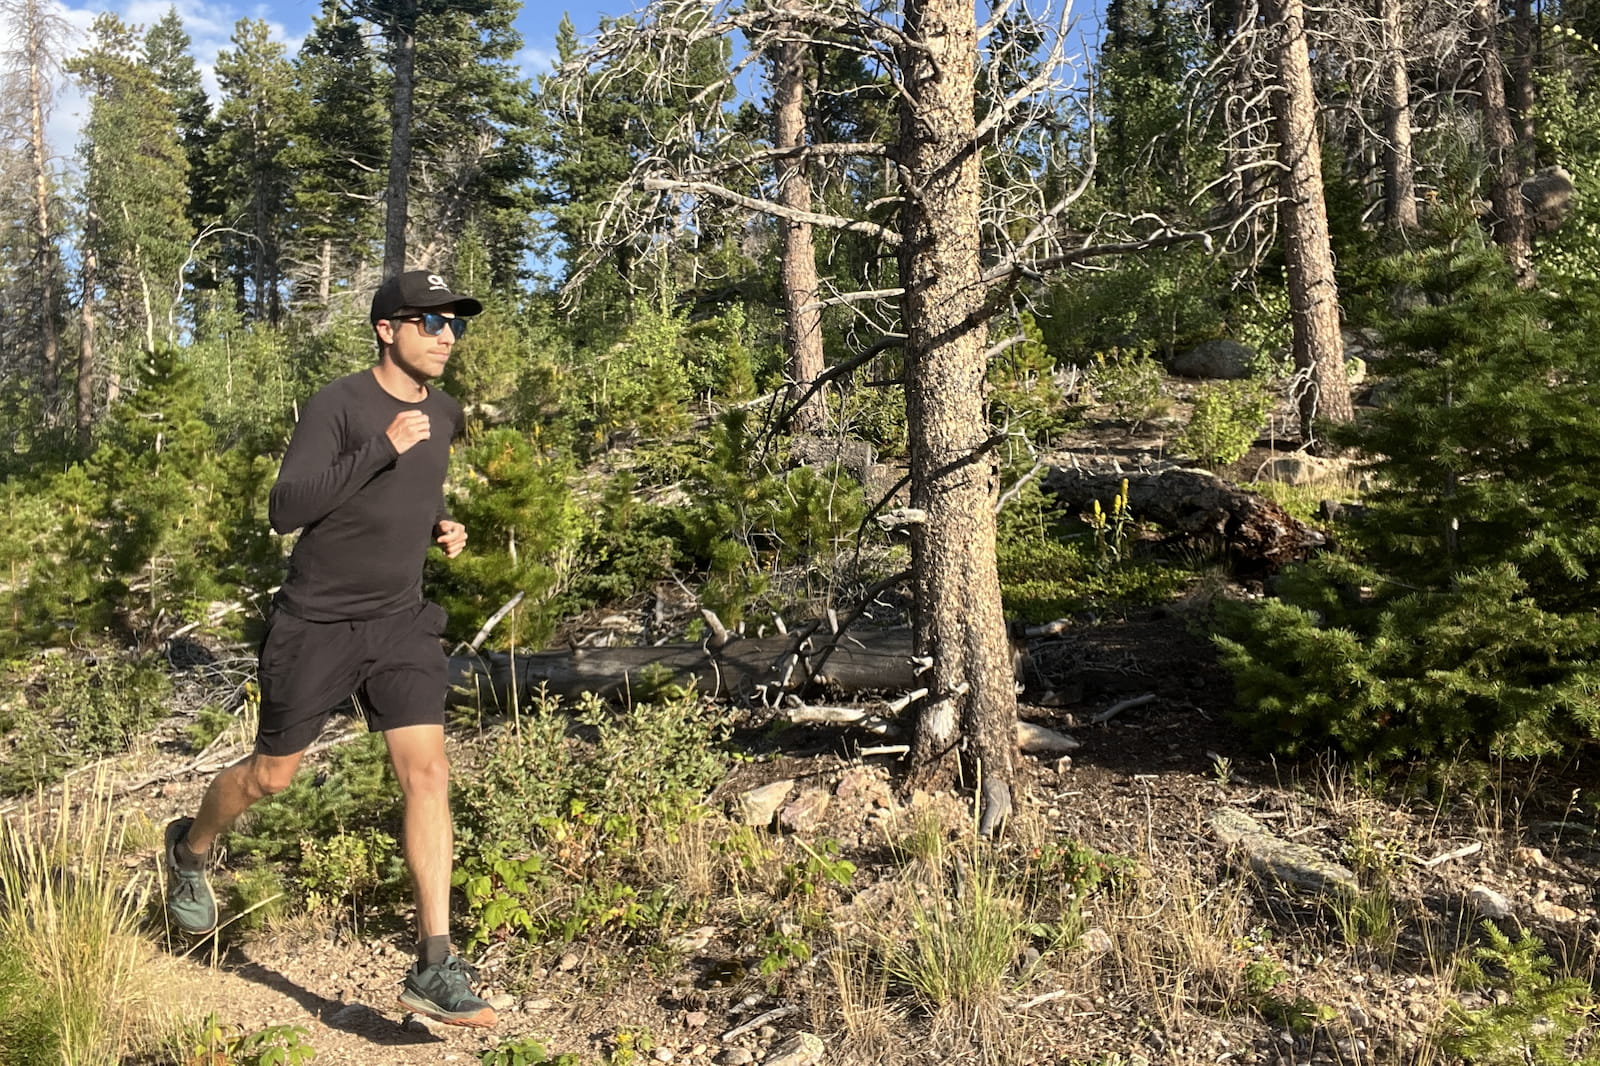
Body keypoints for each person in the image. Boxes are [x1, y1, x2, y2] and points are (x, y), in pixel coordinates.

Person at [163, 270, 496, 1029]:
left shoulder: (443, 413)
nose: (446, 336)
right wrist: (378, 449)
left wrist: (441, 526)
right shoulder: (339, 406)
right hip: (315, 624)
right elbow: (288, 509)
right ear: (387, 329)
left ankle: (435, 965)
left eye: (454, 324)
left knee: (430, 773)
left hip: (401, 623)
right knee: (271, 778)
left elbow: (414, 492)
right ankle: (191, 848)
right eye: (430, 322)